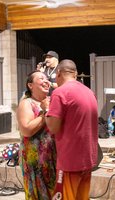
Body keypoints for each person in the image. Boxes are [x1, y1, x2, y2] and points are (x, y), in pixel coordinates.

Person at [45, 59, 98, 200]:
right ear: (75, 74)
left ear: (58, 74)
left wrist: (46, 112)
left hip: (69, 162)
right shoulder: (89, 92)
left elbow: (53, 127)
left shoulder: (60, 92)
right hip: (87, 159)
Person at [16, 70, 56, 200]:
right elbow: (26, 130)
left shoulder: (51, 101)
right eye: (41, 78)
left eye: (47, 79)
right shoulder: (26, 103)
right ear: (30, 85)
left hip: (53, 158)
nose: (46, 81)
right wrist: (45, 112)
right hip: (35, 161)